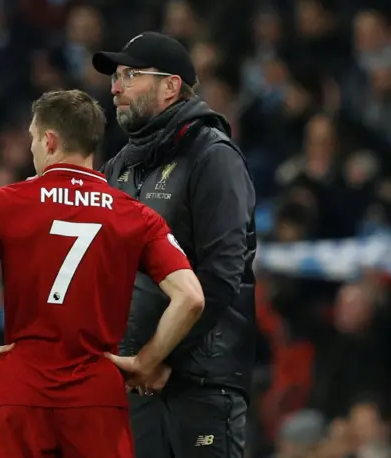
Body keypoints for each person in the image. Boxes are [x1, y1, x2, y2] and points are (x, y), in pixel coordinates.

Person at [0, 89, 205, 458]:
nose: (34, 148)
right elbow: (191, 297)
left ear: (49, 140)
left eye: (34, 138)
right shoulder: (136, 216)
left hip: (20, 390)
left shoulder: (8, 202)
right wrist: (146, 361)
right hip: (96, 393)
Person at [92, 32, 256, 458]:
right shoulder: (119, 166)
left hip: (200, 382)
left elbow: (222, 276)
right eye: (115, 77)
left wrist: (159, 356)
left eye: (129, 75)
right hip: (136, 380)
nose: (115, 87)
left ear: (170, 86)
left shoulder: (213, 156)